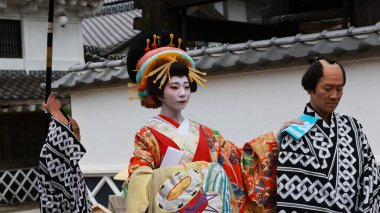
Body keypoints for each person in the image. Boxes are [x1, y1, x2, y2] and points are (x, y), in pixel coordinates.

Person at [119, 33, 297, 213]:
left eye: (186, 86)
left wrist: (275, 138)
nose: (183, 93)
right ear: (158, 93)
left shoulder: (209, 135)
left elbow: (241, 161)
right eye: (174, 87)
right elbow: (138, 181)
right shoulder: (147, 135)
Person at [276, 57, 380, 212]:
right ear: (310, 89)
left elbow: (372, 178)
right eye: (328, 88)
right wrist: (278, 139)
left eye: (339, 89)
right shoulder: (294, 134)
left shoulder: (354, 127)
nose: (334, 96)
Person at [38, 92, 91, 212]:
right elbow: (60, 143)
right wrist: (55, 112)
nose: (76, 136)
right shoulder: (51, 155)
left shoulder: (71, 163)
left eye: (78, 131)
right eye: (72, 131)